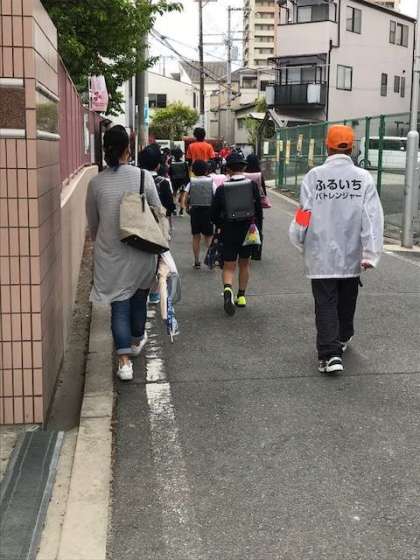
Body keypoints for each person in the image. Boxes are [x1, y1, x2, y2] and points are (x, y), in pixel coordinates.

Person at [289, 125, 384, 375]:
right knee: (347, 298)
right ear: (352, 148)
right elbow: (371, 217)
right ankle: (341, 338)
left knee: (326, 302)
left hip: (320, 252)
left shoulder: (314, 177)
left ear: (327, 146)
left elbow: (304, 213)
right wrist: (371, 252)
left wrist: (298, 238)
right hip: (351, 251)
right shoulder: (363, 178)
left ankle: (330, 355)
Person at [86, 125, 161, 381]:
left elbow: (93, 225)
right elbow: (158, 211)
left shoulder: (96, 183)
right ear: (128, 149)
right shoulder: (143, 177)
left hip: (110, 255)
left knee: (119, 306)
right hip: (142, 251)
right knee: (139, 300)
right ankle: (137, 340)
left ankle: (124, 363)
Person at [211, 152, 262, 316]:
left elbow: (213, 214)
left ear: (228, 169)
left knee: (229, 265)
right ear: (244, 167)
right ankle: (241, 296)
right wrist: (258, 230)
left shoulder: (222, 189)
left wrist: (221, 225)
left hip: (228, 230)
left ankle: (228, 290)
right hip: (248, 230)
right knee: (244, 264)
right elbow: (259, 211)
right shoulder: (252, 186)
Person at [184, 160, 215, 269]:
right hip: (208, 211)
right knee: (209, 237)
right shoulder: (211, 182)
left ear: (193, 171)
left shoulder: (191, 182)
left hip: (195, 212)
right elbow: (215, 195)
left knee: (196, 237)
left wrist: (186, 207)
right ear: (206, 170)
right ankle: (211, 261)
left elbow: (185, 196)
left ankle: (197, 261)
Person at [138, 146, 175, 218]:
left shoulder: (136, 179)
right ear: (158, 165)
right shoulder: (164, 182)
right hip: (158, 219)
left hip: (140, 219)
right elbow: (169, 206)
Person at [244, 154, 267, 261]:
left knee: (245, 227)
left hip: (244, 204)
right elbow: (264, 192)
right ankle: (256, 253)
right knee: (257, 228)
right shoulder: (259, 175)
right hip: (256, 205)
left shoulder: (243, 174)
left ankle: (245, 250)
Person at [169, 148, 190, 215]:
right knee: (182, 195)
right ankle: (181, 209)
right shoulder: (184, 163)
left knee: (174, 194)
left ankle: (174, 209)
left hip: (174, 181)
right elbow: (187, 174)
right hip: (183, 180)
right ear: (181, 155)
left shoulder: (172, 164)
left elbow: (170, 173)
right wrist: (187, 181)